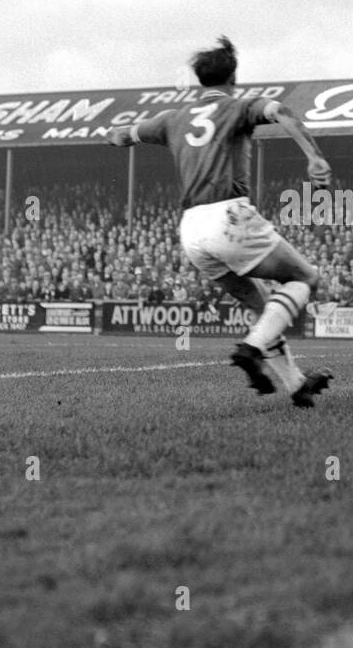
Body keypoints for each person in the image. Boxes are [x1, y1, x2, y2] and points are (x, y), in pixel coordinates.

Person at [103, 36, 333, 406]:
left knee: (263, 307)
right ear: (233, 77)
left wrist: (112, 136)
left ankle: (296, 386)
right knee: (305, 277)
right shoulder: (239, 108)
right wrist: (314, 157)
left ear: (199, 80)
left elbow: (122, 136)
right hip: (228, 215)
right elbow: (284, 113)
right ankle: (251, 350)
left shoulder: (170, 119)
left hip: (191, 230)